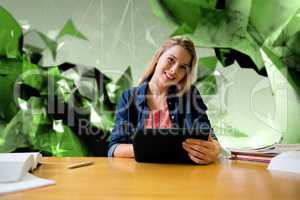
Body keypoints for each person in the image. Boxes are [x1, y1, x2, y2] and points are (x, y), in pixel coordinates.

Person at [108, 36, 220, 164]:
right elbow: (114, 148)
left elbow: (209, 135)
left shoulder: (190, 95)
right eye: (171, 60)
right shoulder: (129, 97)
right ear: (158, 57)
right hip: (140, 179)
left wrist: (215, 149)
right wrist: (157, 149)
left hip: (182, 178)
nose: (174, 70)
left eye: (183, 67)